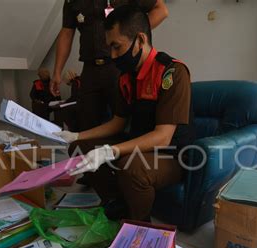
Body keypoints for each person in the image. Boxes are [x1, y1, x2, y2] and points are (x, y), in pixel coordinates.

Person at [54, 5, 194, 221]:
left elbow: (163, 136)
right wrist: (77, 136)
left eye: (117, 47)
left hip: (171, 155)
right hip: (138, 145)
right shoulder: (126, 77)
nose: (112, 55)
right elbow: (117, 123)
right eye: (109, 47)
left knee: (132, 167)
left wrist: (111, 151)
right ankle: (116, 202)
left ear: (140, 40)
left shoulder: (172, 72)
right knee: (79, 148)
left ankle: (139, 224)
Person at [50, 0, 168, 132]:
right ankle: (87, 152)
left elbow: (161, 10)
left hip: (118, 66)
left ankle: (121, 151)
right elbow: (66, 32)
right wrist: (57, 72)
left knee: (124, 125)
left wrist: (130, 35)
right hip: (90, 69)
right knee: (85, 125)